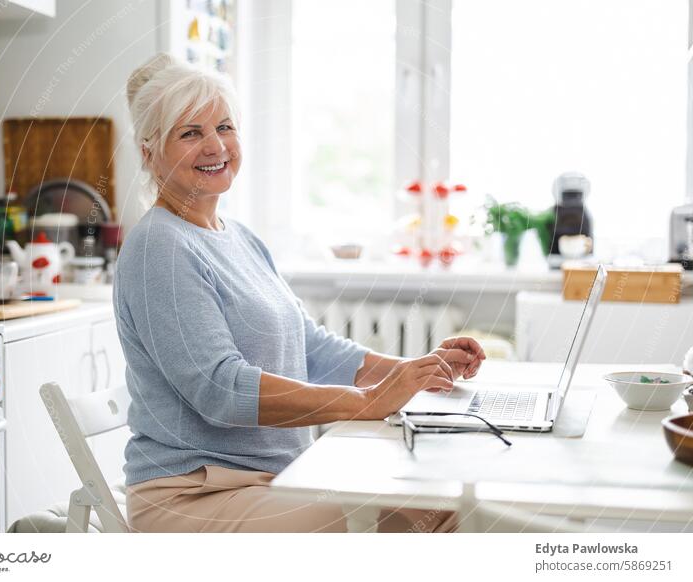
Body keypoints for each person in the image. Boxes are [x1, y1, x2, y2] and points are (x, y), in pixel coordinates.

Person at [115, 53, 486, 533]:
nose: (215, 146)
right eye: (190, 133)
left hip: (275, 476)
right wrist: (366, 402)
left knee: (433, 504)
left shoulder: (240, 237)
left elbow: (308, 347)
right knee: (342, 519)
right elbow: (219, 388)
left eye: (224, 127)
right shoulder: (158, 248)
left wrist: (414, 371)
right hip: (196, 490)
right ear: (149, 154)